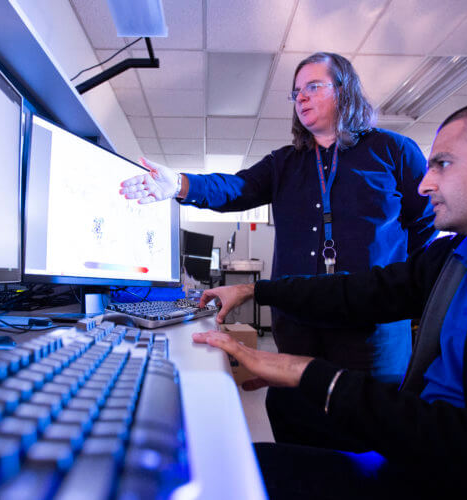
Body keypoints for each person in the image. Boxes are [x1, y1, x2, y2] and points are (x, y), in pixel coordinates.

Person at [192, 95, 467, 499]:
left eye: (442, 164)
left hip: (463, 473)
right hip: (431, 445)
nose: (425, 185)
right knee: (286, 403)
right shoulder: (461, 254)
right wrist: (254, 289)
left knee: (232, 471)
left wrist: (311, 372)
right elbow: (359, 291)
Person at [120, 52, 436, 446]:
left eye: (313, 86)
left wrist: (404, 283)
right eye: (296, 92)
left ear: (345, 90)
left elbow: (426, 223)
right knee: (299, 422)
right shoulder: (285, 162)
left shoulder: (395, 151)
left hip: (371, 327)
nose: (301, 97)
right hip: (299, 320)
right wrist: (181, 184)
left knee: (366, 430)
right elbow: (236, 188)